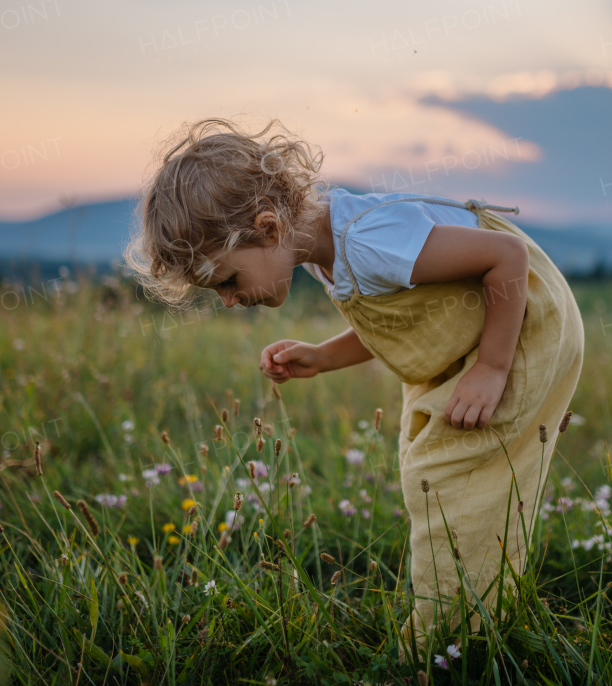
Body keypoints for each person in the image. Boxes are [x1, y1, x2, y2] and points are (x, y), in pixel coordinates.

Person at [125, 118, 584, 648]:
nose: (229, 301)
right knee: (430, 467)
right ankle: (478, 614)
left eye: (228, 281)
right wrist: (322, 357)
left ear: (270, 229)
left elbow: (506, 259)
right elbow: (406, 317)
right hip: (472, 338)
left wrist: (493, 368)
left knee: (447, 471)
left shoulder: (367, 240)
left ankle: (454, 639)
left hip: (522, 331)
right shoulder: (327, 247)